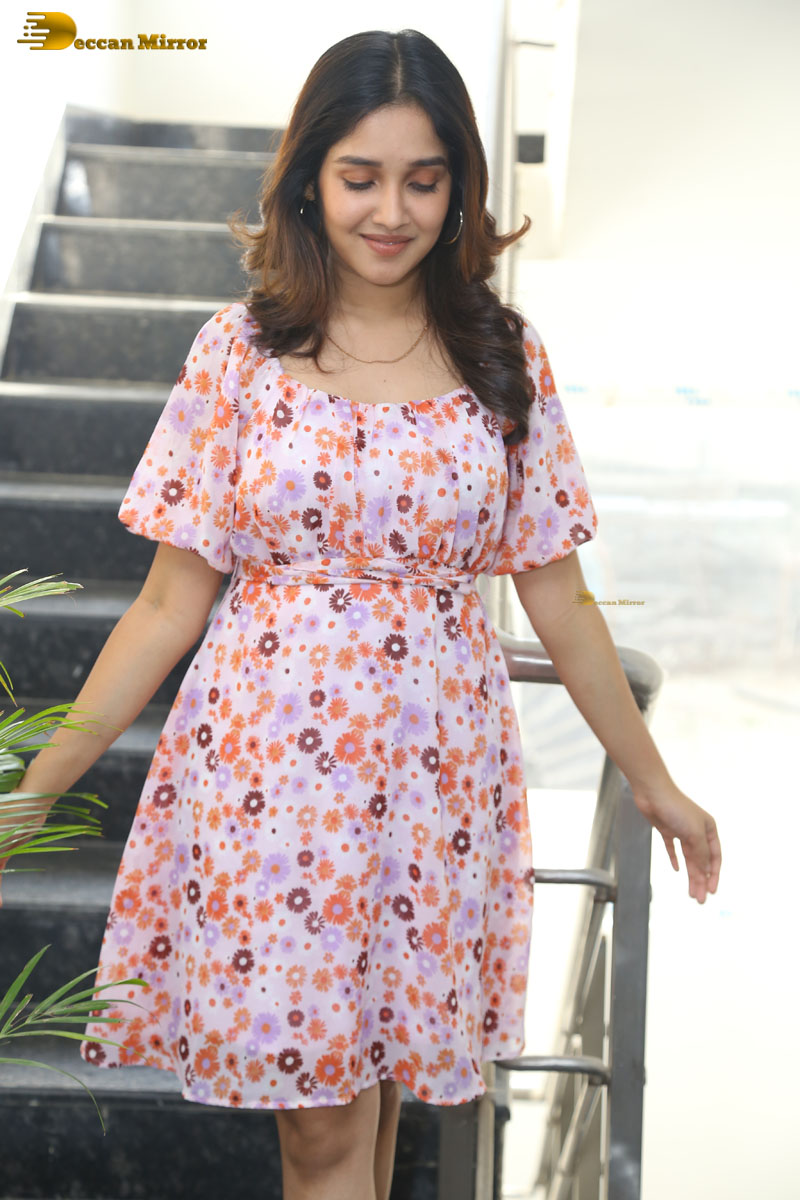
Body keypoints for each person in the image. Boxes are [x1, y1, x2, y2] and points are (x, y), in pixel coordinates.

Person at [0, 28, 721, 1200]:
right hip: (269, 781)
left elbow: (562, 597)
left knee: (371, 1106)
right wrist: (37, 788)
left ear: (458, 187)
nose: (391, 211)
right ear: (307, 180)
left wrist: (652, 783)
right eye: (359, 177)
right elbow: (168, 604)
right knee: (324, 1130)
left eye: (422, 180)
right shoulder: (238, 353)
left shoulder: (503, 358)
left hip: (434, 780)